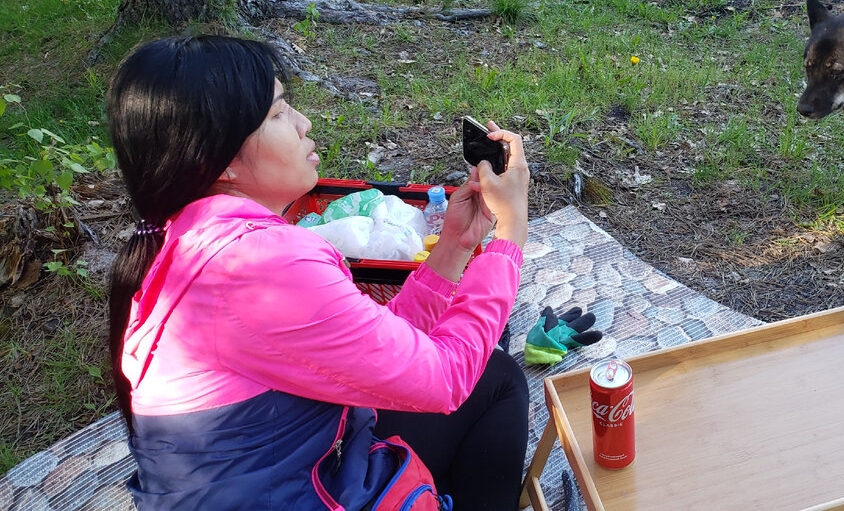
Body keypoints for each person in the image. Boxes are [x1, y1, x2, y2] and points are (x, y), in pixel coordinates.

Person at [104, 35, 531, 510]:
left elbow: (379, 344)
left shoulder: (181, 237)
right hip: (294, 488)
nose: (304, 123)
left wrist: (455, 246)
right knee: (495, 379)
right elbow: (447, 380)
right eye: (279, 113)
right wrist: (510, 233)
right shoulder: (262, 267)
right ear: (219, 160)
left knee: (488, 364)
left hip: (278, 468)